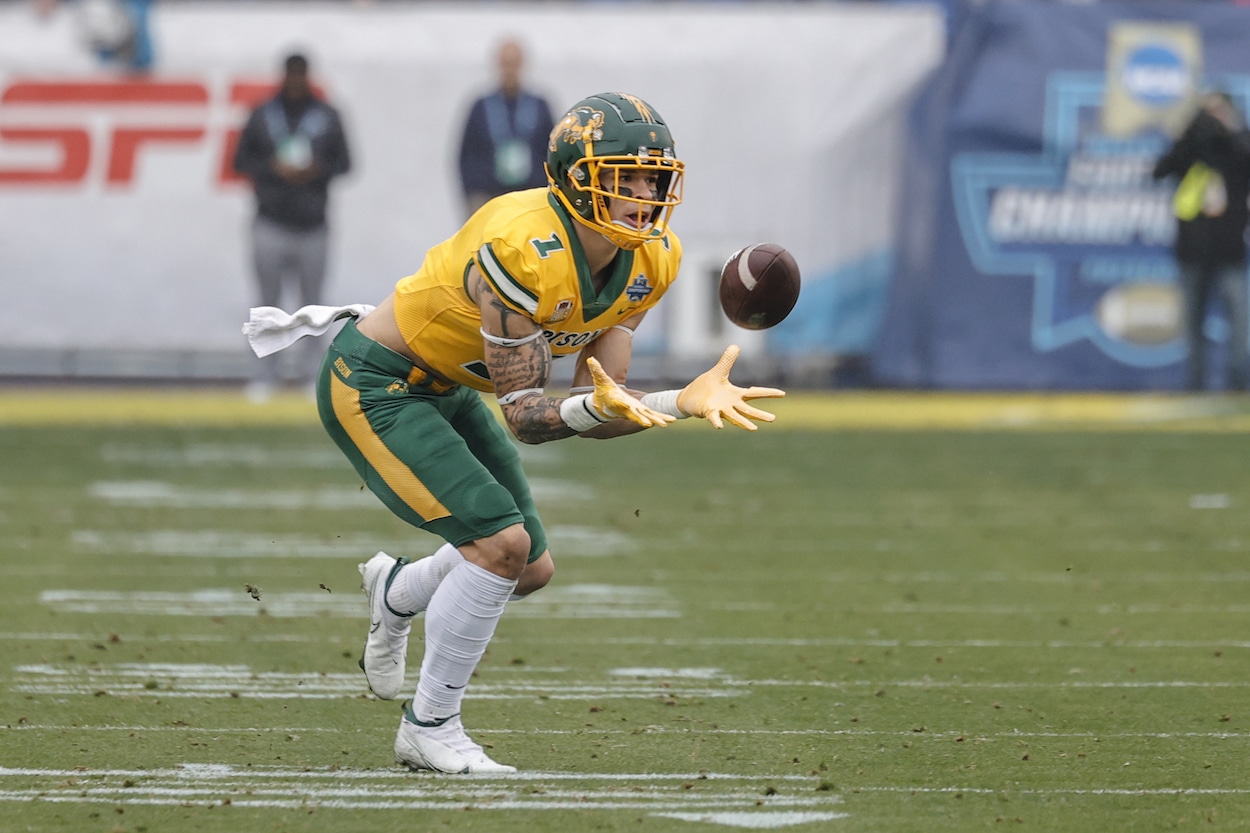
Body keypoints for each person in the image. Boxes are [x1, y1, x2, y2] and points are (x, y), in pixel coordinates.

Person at [250, 92, 785, 773]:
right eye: (627, 175)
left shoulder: (652, 260)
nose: (646, 194)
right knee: (501, 544)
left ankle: (396, 592)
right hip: (377, 382)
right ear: (573, 175)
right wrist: (672, 397)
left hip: (447, 387)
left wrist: (678, 401)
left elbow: (600, 409)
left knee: (529, 566)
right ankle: (430, 724)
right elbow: (529, 418)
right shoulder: (521, 245)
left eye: (655, 177)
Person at [233, 53, 352, 401]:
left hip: (313, 224)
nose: (297, 81)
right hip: (270, 220)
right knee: (267, 303)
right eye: (292, 74)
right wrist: (273, 168)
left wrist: (316, 169)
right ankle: (264, 374)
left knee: (313, 307)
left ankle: (312, 375)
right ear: (284, 76)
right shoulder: (263, 114)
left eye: (302, 75)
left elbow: (346, 162)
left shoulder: (327, 115)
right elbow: (241, 159)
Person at [1153, 90, 1250, 392]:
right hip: (1193, 251)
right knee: (1193, 324)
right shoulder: (1191, 149)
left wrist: (1229, 131)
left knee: (1239, 321)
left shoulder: (1236, 147)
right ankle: (1196, 385)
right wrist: (1191, 132)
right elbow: (1160, 171)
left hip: (1230, 250)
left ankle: (1239, 384)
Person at [456, 38, 556, 219]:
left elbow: (552, 151)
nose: (509, 70)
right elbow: (466, 154)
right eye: (505, 63)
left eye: (514, 63)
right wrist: (473, 195)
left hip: (530, 199)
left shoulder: (540, 106)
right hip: (489, 197)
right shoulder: (480, 106)